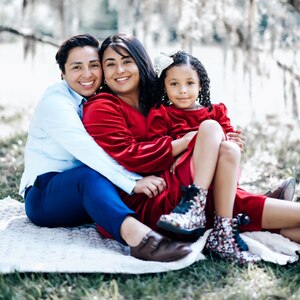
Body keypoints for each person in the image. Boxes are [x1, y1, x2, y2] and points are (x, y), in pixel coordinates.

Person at [82, 33, 300, 265]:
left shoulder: (153, 99)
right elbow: (131, 155)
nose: (120, 69)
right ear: (104, 72)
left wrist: (226, 142)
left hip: (180, 185)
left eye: (127, 61)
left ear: (141, 63)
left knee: (227, 180)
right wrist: (189, 141)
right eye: (110, 63)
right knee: (220, 162)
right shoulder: (103, 106)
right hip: (147, 198)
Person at [19, 34, 192, 262]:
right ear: (63, 73)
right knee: (88, 176)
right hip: (45, 196)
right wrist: (132, 183)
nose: (87, 74)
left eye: (93, 65)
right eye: (76, 67)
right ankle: (141, 240)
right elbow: (87, 152)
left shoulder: (98, 100)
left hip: (90, 194)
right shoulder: (56, 103)